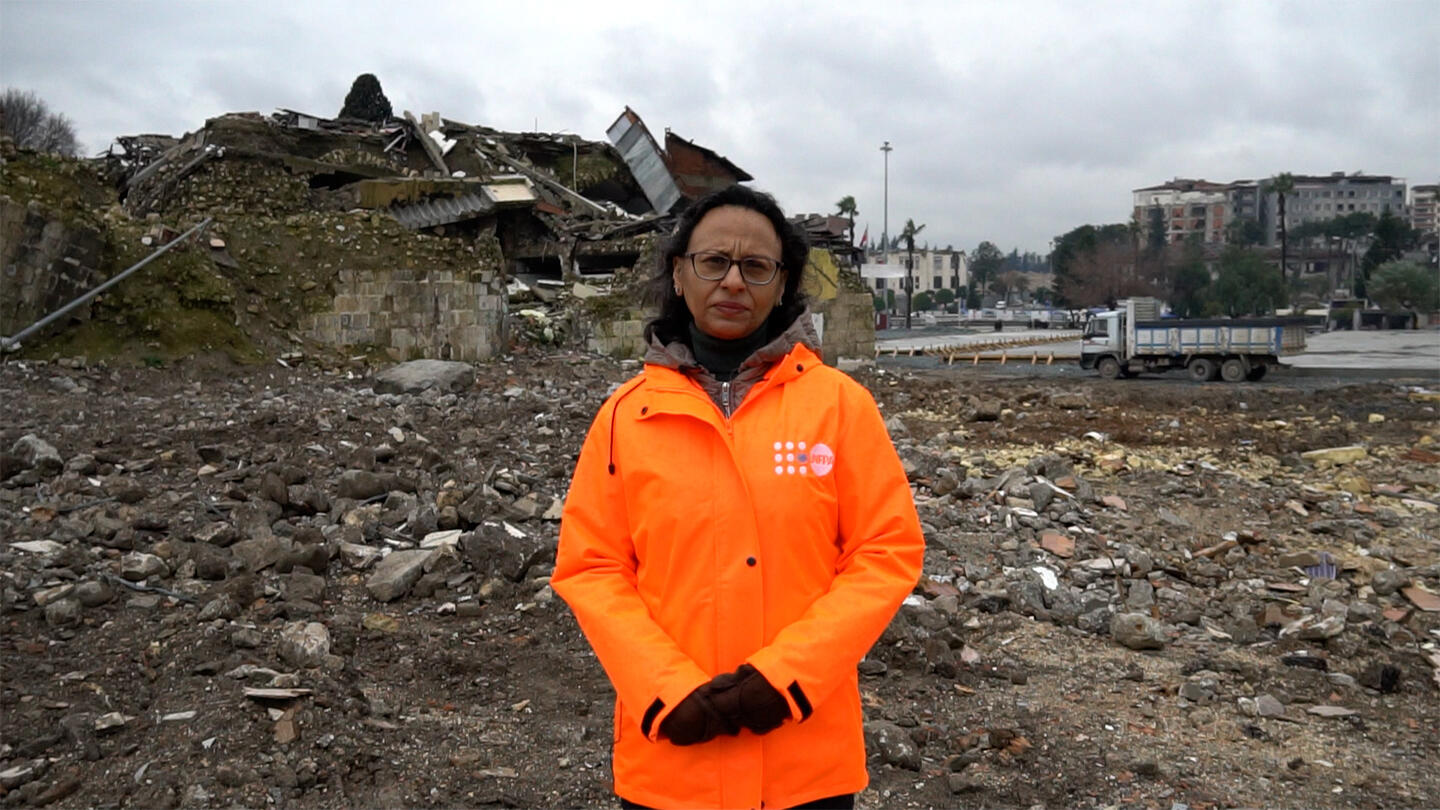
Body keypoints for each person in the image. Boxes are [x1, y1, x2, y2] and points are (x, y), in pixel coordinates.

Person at [552, 185, 924, 810]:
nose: (732, 282)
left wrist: (786, 681)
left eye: (755, 267)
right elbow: (593, 568)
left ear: (782, 285)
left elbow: (883, 553)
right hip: (672, 754)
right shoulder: (624, 417)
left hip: (806, 760)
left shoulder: (839, 407)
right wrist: (665, 691)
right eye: (713, 262)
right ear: (678, 273)